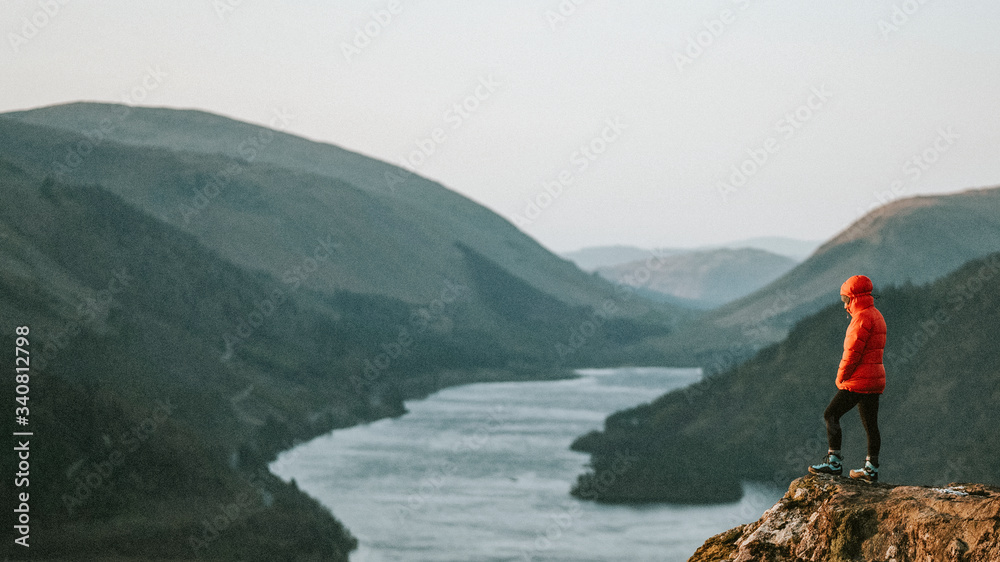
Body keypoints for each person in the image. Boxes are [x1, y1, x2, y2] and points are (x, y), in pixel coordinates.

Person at [809, 274, 886, 482]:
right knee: (871, 424)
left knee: (831, 415)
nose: (844, 306)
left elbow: (852, 353)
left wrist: (841, 378)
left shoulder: (860, 319)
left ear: (854, 298)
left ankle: (834, 463)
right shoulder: (876, 314)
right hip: (875, 379)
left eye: (846, 300)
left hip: (858, 381)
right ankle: (871, 468)